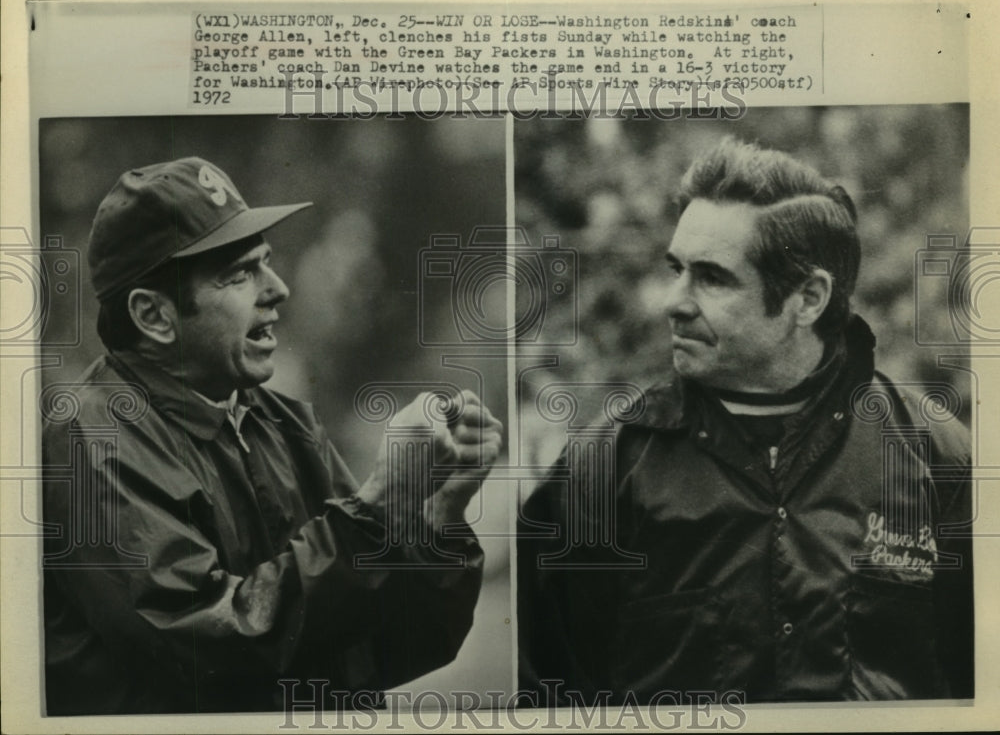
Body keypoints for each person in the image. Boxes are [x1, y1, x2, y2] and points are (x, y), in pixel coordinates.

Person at [518, 138, 973, 704]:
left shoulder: (939, 457)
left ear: (807, 299)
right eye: (676, 269)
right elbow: (548, 694)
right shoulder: (603, 466)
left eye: (711, 278)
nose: (672, 301)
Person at [42, 157, 504, 715]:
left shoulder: (282, 422)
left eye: (267, 263)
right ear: (154, 316)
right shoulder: (94, 439)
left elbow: (386, 649)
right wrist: (378, 503)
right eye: (239, 274)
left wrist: (437, 515)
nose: (278, 289)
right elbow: (215, 646)